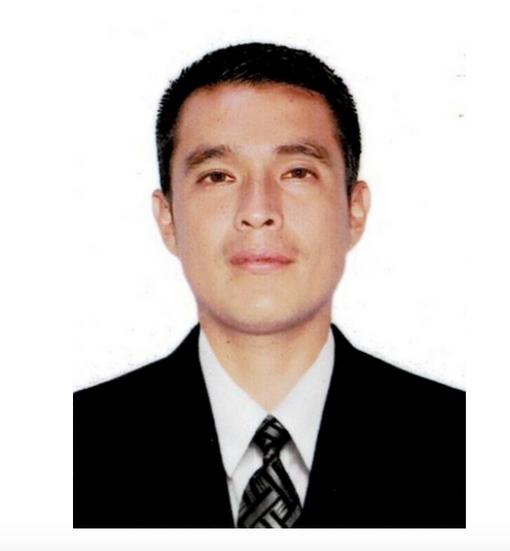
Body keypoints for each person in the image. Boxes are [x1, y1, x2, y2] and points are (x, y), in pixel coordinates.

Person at [73, 42, 465, 528]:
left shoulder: (467, 445)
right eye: (218, 176)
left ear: (354, 211)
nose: (258, 211)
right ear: (168, 218)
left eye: (297, 172)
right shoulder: (69, 449)